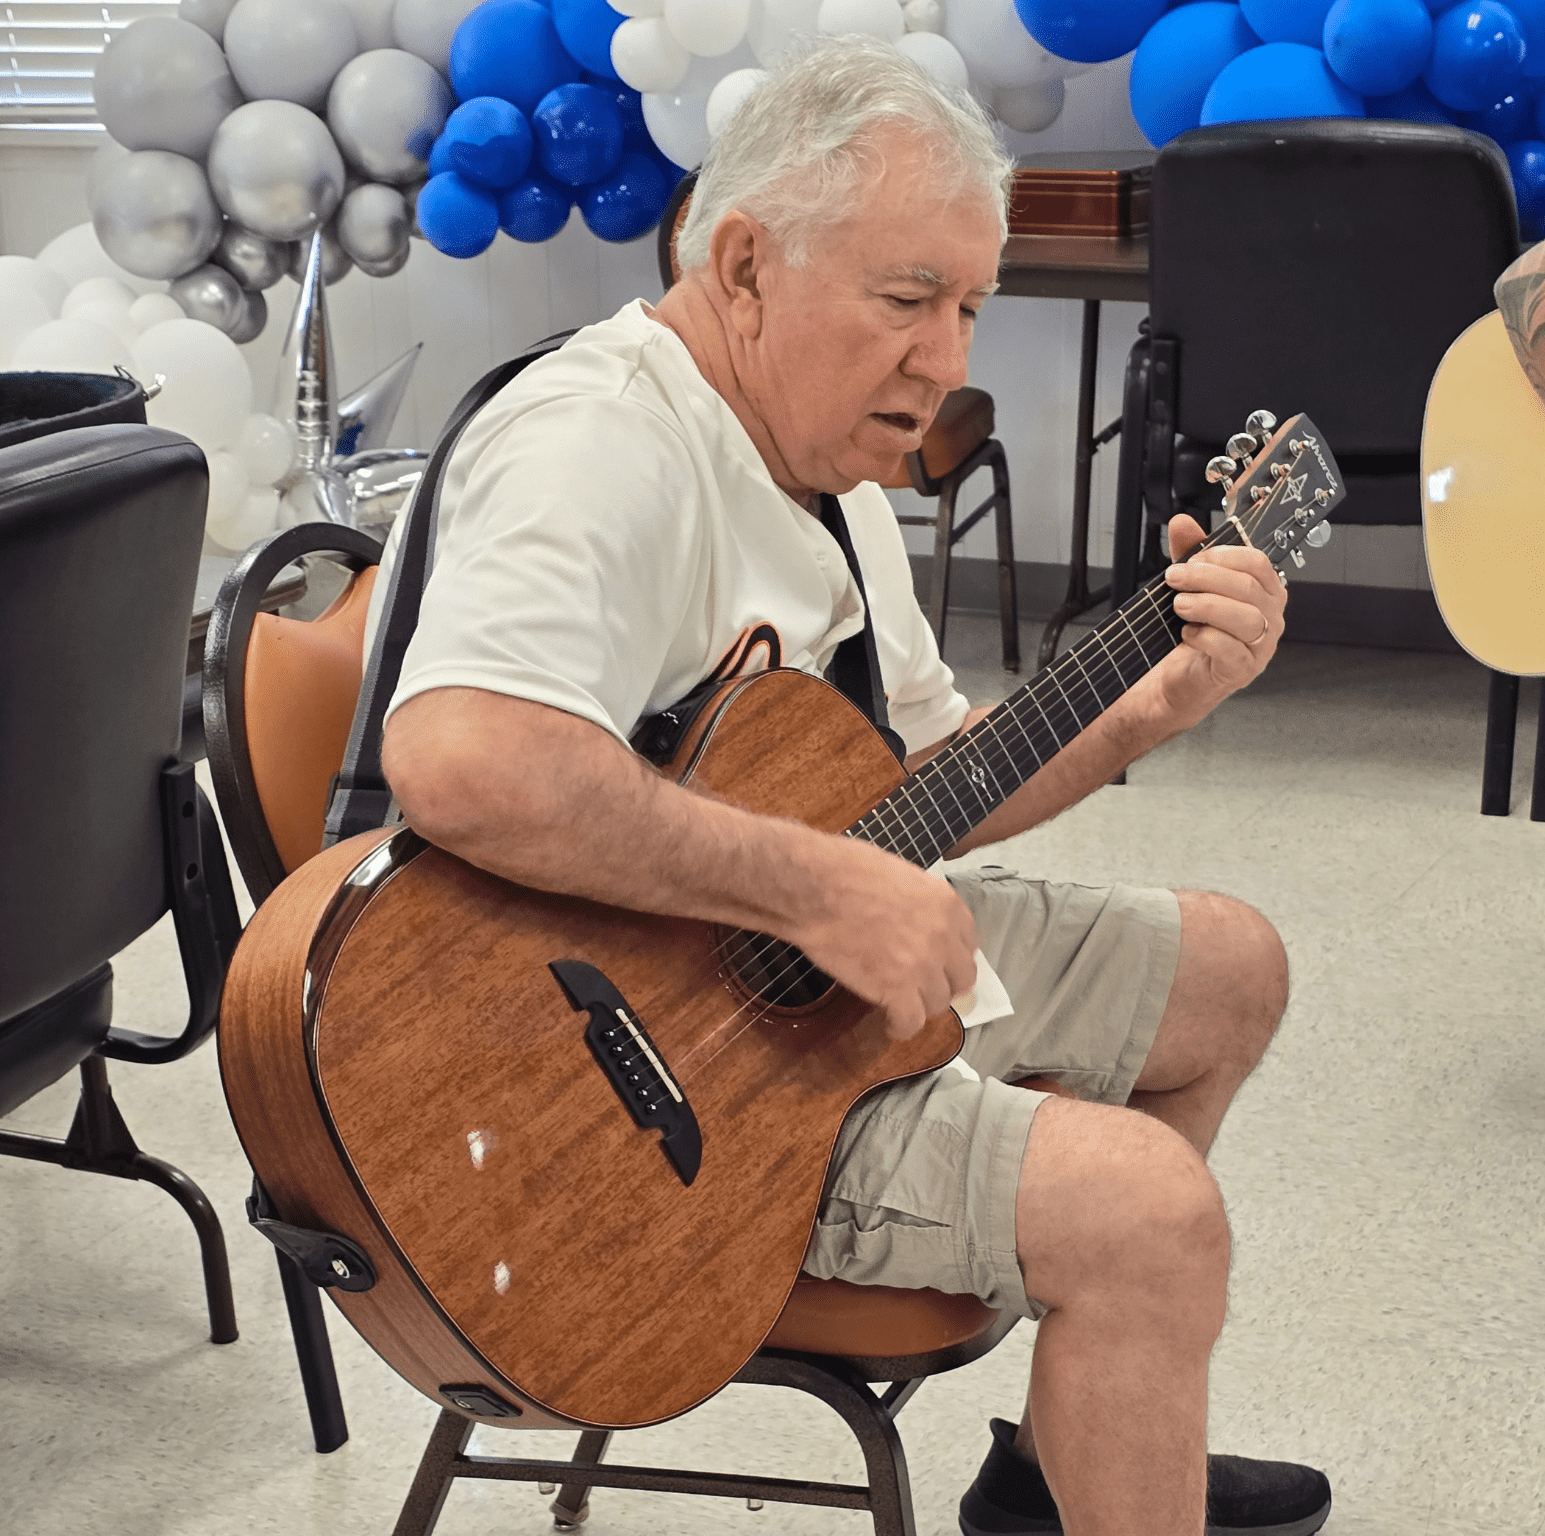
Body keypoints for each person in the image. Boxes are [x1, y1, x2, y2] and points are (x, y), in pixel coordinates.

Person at [375, 37, 1332, 1536]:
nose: (949, 360)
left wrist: (1157, 702)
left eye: (967, 307)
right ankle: (1123, 1349)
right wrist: (815, 883)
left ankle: (1075, 1449)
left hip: (773, 985)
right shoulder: (603, 442)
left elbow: (924, 791)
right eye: (906, 302)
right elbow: (461, 757)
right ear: (744, 264)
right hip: (620, 1114)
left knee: (1230, 970)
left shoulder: (827, 455)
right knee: (1152, 1218)